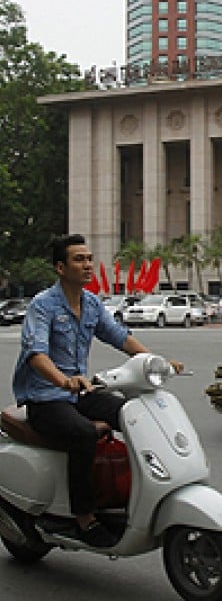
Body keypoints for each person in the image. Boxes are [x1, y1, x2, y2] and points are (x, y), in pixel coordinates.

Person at [12, 234, 183, 548]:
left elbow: (119, 336)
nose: (88, 265)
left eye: (89, 258)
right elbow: (36, 354)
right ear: (61, 268)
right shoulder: (42, 305)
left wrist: (154, 362)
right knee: (83, 434)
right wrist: (63, 381)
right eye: (79, 259)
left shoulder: (91, 303)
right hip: (46, 398)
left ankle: (134, 491)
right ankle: (84, 518)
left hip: (79, 393)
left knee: (132, 414)